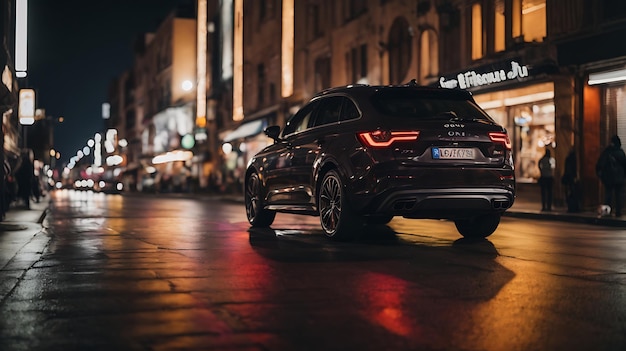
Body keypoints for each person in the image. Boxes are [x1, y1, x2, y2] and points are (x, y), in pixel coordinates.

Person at [595, 135, 626, 216]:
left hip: (609, 178)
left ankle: (607, 212)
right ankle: (618, 212)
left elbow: (600, 164)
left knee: (608, 195)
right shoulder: (621, 152)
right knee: (618, 195)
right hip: (619, 178)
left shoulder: (607, 152)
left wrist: (599, 173)